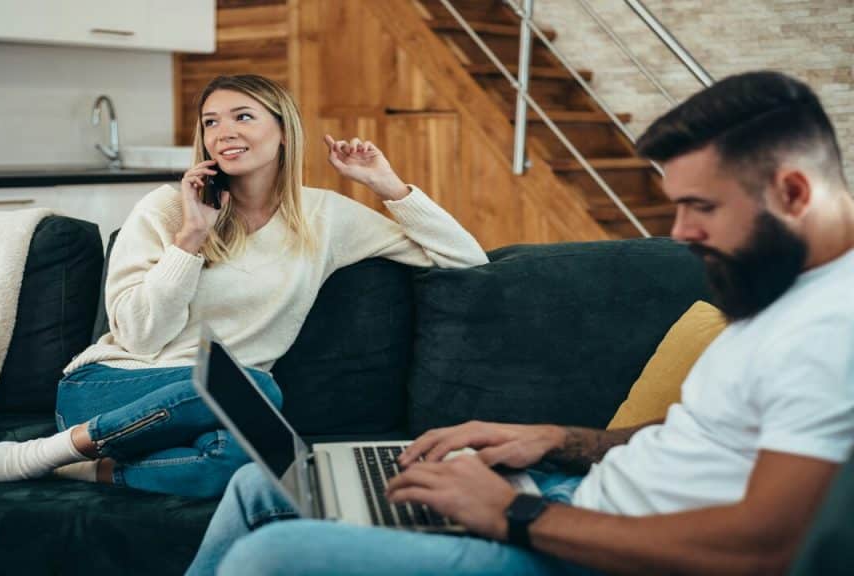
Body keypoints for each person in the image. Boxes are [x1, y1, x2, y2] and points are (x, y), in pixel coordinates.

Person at [185, 70, 854, 575]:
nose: (680, 232)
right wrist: (557, 438)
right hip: (577, 497)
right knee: (257, 484)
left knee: (271, 555)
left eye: (700, 206)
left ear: (793, 192)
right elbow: (708, 437)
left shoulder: (831, 328)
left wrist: (515, 513)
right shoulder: (776, 285)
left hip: (588, 547)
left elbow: (769, 549)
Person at [0, 74, 488, 497]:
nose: (222, 132)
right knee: (257, 393)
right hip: (110, 387)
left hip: (225, 406)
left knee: (262, 464)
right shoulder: (164, 209)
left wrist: (386, 183)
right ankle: (38, 453)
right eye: (210, 122)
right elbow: (141, 333)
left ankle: (77, 469)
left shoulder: (327, 218)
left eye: (242, 116)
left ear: (284, 131)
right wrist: (190, 241)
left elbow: (464, 257)